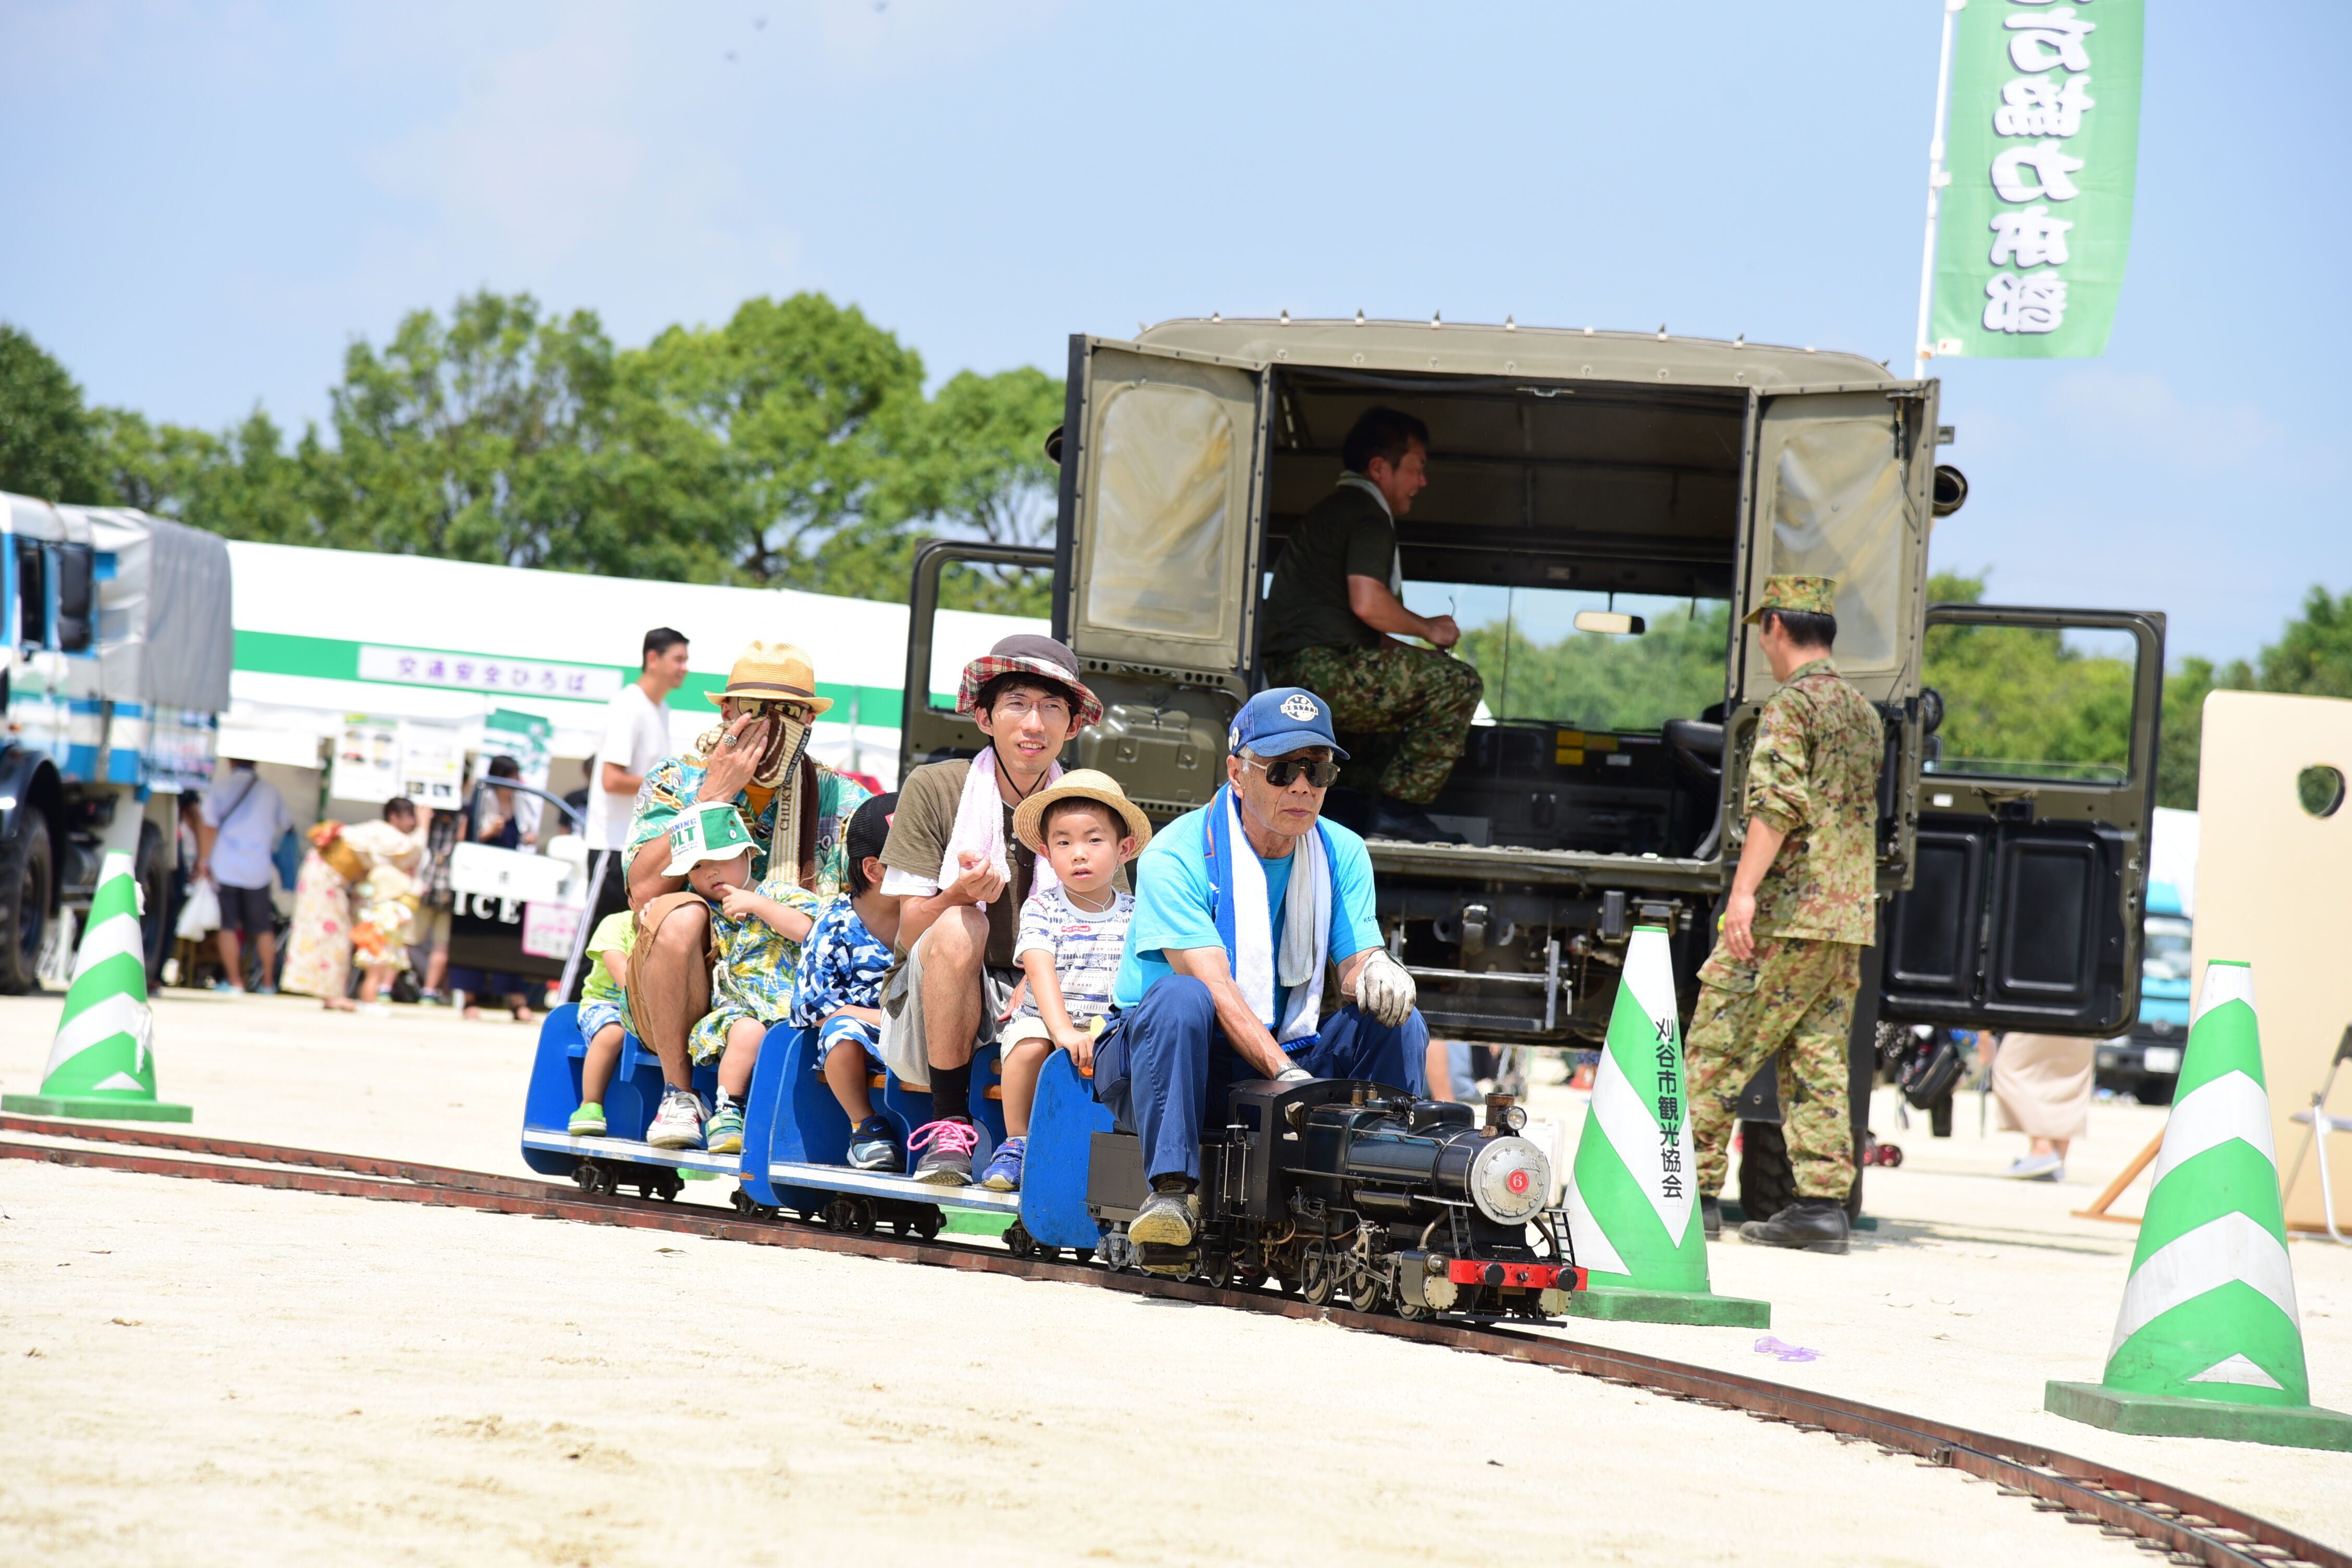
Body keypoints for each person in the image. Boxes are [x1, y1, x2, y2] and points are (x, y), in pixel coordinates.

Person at [1093, 687, 1427, 1248]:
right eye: (1282, 770)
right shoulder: (1175, 854)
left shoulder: (1341, 850)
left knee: (1396, 1018)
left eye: (1318, 770)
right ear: (1238, 772)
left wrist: (1378, 969)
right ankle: (1171, 1192)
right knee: (1181, 997)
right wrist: (1288, 1077)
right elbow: (1214, 987)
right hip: (1172, 1058)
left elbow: (1352, 968)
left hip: (1284, 1047)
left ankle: (1397, 1185)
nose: (1302, 785)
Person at [1685, 575, 1883, 1255]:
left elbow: (1779, 804)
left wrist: (1743, 894)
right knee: (1819, 1057)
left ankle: (1692, 1198)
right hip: (1846, 918)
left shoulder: (1790, 707)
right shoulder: (1863, 711)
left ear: (1774, 626)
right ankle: (1821, 1207)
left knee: (1715, 1048)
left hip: (1789, 912)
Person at [875, 634, 1102, 1185]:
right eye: (1017, 704)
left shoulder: (1089, 800)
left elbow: (1102, 924)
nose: (1034, 724)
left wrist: (1041, 971)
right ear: (984, 717)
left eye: (1052, 708)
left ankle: (1036, 1152)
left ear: (1072, 727)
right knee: (961, 921)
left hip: (1047, 983)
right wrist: (957, 892)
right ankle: (948, 1125)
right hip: (938, 984)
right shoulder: (936, 787)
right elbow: (906, 933)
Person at [624, 643, 869, 1152]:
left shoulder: (842, 798)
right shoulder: (677, 779)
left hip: (790, 980)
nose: (772, 724)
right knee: (680, 913)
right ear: (727, 711)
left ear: (810, 719)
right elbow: (643, 892)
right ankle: (680, 1094)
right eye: (757, 708)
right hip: (685, 980)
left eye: (790, 711)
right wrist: (709, 799)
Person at [1260, 407, 1484, 843]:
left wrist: (1414, 653)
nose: (1422, 482)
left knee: (1394, 723)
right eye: (1417, 469)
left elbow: (1364, 632)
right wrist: (1431, 629)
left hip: (1301, 674)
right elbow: (1367, 602)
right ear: (1380, 468)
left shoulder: (1337, 511)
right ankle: (1401, 813)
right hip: (1321, 670)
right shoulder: (1366, 514)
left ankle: (1346, 812)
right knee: (1460, 684)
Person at [986, 770, 1151, 1192]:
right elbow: (1039, 970)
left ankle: (1133, 1154)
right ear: (1046, 852)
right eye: (1064, 842)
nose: (1079, 854)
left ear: (1124, 849)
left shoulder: (1137, 912)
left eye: (1094, 840)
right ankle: (1017, 1142)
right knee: (1027, 1044)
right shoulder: (1042, 908)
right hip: (1047, 1018)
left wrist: (1108, 1028)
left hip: (1109, 1023)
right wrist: (1061, 1030)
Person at [631, 802, 817, 1153]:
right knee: (747, 1031)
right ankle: (727, 1110)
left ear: (749, 853)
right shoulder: (706, 912)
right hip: (737, 1013)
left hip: (788, 1010)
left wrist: (761, 906)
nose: (711, 873)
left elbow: (808, 930)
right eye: (698, 867)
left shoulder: (778, 894)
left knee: (770, 1035)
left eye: (721, 859)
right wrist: (652, 912)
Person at [566, 627, 689, 1001]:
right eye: (678, 659)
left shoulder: (660, 708)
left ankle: (604, 1013)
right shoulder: (629, 704)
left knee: (628, 936)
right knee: (594, 937)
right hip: (612, 843)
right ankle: (566, 1010)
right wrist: (669, 790)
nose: (684, 668)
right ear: (653, 659)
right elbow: (611, 779)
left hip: (641, 849)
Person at [788, 794, 904, 1171]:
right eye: (916, 858)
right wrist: (883, 1022)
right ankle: (864, 1126)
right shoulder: (834, 923)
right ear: (874, 870)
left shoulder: (937, 918)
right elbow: (814, 1007)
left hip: (921, 1042)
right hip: (865, 1039)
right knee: (841, 1031)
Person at [281, 798, 427, 1011]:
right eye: (410, 818)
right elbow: (412, 850)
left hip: (329, 878)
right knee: (333, 934)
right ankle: (332, 994)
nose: (412, 824)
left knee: (334, 934)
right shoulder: (383, 831)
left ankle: (332, 993)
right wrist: (425, 825)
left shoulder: (379, 833)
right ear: (394, 817)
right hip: (325, 878)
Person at [447, 755, 537, 1022]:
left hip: (512, 878)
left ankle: (516, 1000)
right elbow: (463, 839)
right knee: (473, 935)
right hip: (480, 878)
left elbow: (526, 834)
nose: (514, 783)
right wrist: (488, 831)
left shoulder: (522, 804)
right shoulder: (480, 800)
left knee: (510, 939)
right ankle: (469, 999)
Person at [193, 757, 293, 993]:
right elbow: (287, 825)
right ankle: (268, 983)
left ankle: (235, 981)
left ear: (230, 762)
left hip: (226, 865)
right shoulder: (271, 792)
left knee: (228, 925)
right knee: (263, 928)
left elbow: (210, 826)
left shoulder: (220, 787)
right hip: (258, 868)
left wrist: (203, 861)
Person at [566, 905, 636, 1137]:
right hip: (607, 1005)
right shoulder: (615, 925)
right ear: (632, 899)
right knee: (613, 1032)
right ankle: (590, 1104)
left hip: (657, 1009)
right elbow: (626, 980)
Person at [1988, 1031, 2092, 1180]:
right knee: (2067, 1077)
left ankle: (2043, 1150)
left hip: (2043, 1014)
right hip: (2088, 1016)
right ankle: (2057, 1159)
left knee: (2008, 1070)